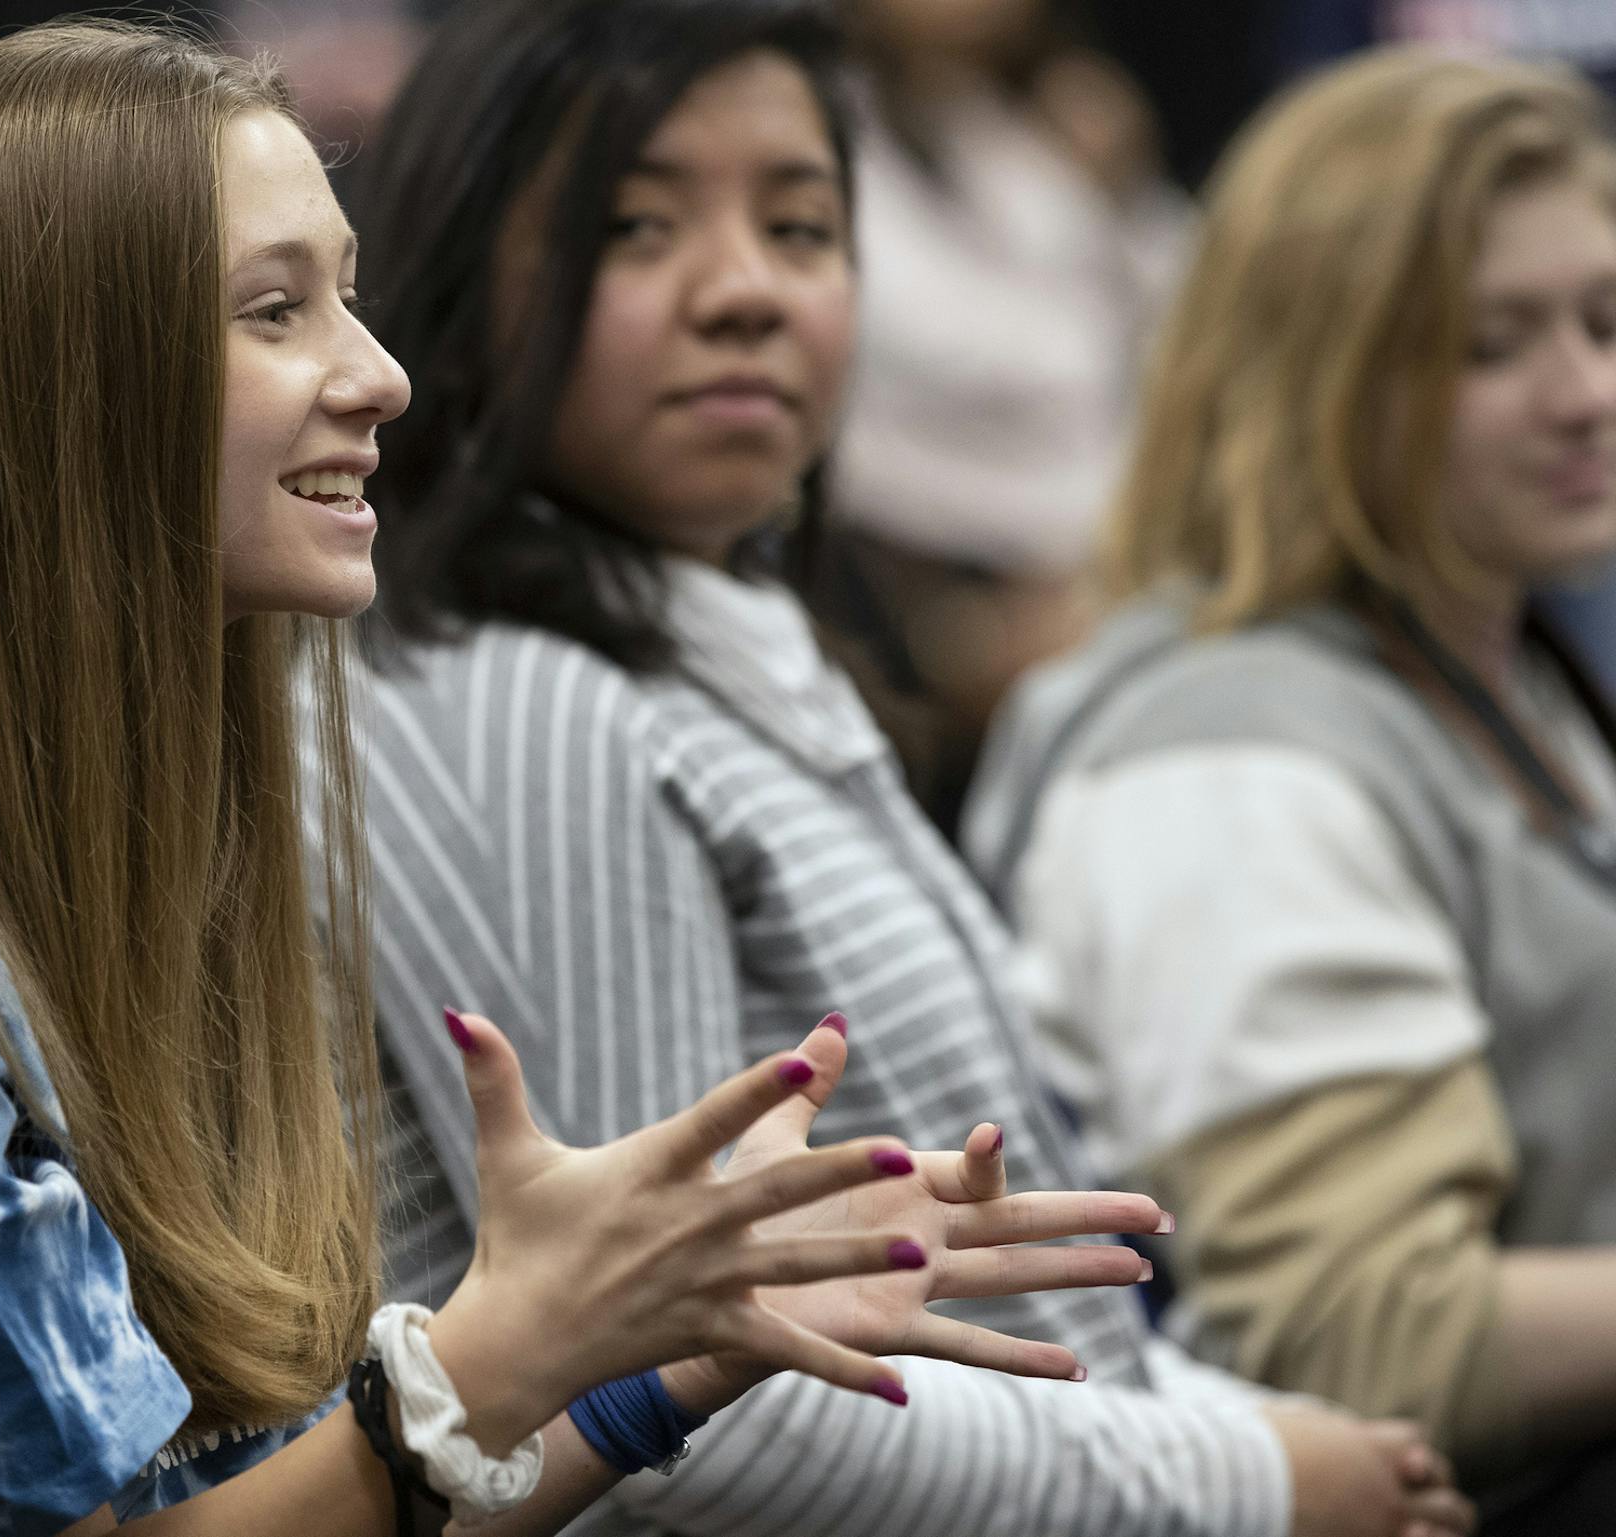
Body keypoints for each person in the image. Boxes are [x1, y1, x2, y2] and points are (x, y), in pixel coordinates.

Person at [0, 20, 1175, 1536]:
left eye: (347, 297)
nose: (380, 375)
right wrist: (518, 1342)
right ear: (54, 393)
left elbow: (271, 1494)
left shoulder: (95, 853)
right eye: (278, 311)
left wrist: (667, 1343)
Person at [349, 2, 1471, 1534]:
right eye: (635, 225)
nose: (746, 290)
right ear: (463, 265)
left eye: (802, 226)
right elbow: (669, 1411)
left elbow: (1037, 1309)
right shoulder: (510, 696)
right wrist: (1248, 1481)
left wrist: (1259, 1435)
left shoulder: (724, 637)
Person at [965, 47, 1616, 1524]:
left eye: (1605, 319)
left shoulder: (1490, 653)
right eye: (1494, 342)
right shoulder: (1225, 761)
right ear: (1319, 364)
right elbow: (1370, 1338)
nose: (1587, 392)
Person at [809, 0, 1188, 824]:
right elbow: (969, 351)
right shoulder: (802, 132)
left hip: (1122, 590)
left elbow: (1193, 323)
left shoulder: (1021, 128)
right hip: (917, 626)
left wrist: (1119, 193)